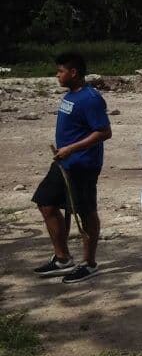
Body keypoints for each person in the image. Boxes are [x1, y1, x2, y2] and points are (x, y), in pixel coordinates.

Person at [32, 52, 112, 284]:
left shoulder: (91, 99)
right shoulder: (71, 96)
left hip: (83, 165)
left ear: (73, 72)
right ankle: (62, 258)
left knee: (85, 212)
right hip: (64, 162)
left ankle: (89, 263)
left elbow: (104, 132)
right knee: (45, 202)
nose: (57, 75)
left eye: (61, 71)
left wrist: (73, 148)